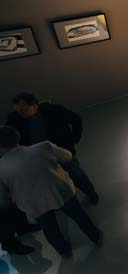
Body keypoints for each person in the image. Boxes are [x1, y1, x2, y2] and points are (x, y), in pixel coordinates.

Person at [0, 126, 102, 257]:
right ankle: (95, 236)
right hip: (60, 191)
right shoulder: (44, 146)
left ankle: (63, 250)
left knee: (49, 229)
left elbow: (3, 196)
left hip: (34, 204)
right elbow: (67, 156)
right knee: (80, 216)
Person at [6, 92, 99, 204]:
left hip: (60, 150)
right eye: (17, 111)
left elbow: (76, 119)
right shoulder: (14, 119)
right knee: (53, 182)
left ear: (34, 105)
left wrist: (74, 139)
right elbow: (7, 136)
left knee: (76, 175)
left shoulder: (54, 110)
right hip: (36, 157)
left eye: (23, 110)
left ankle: (90, 192)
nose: (20, 113)